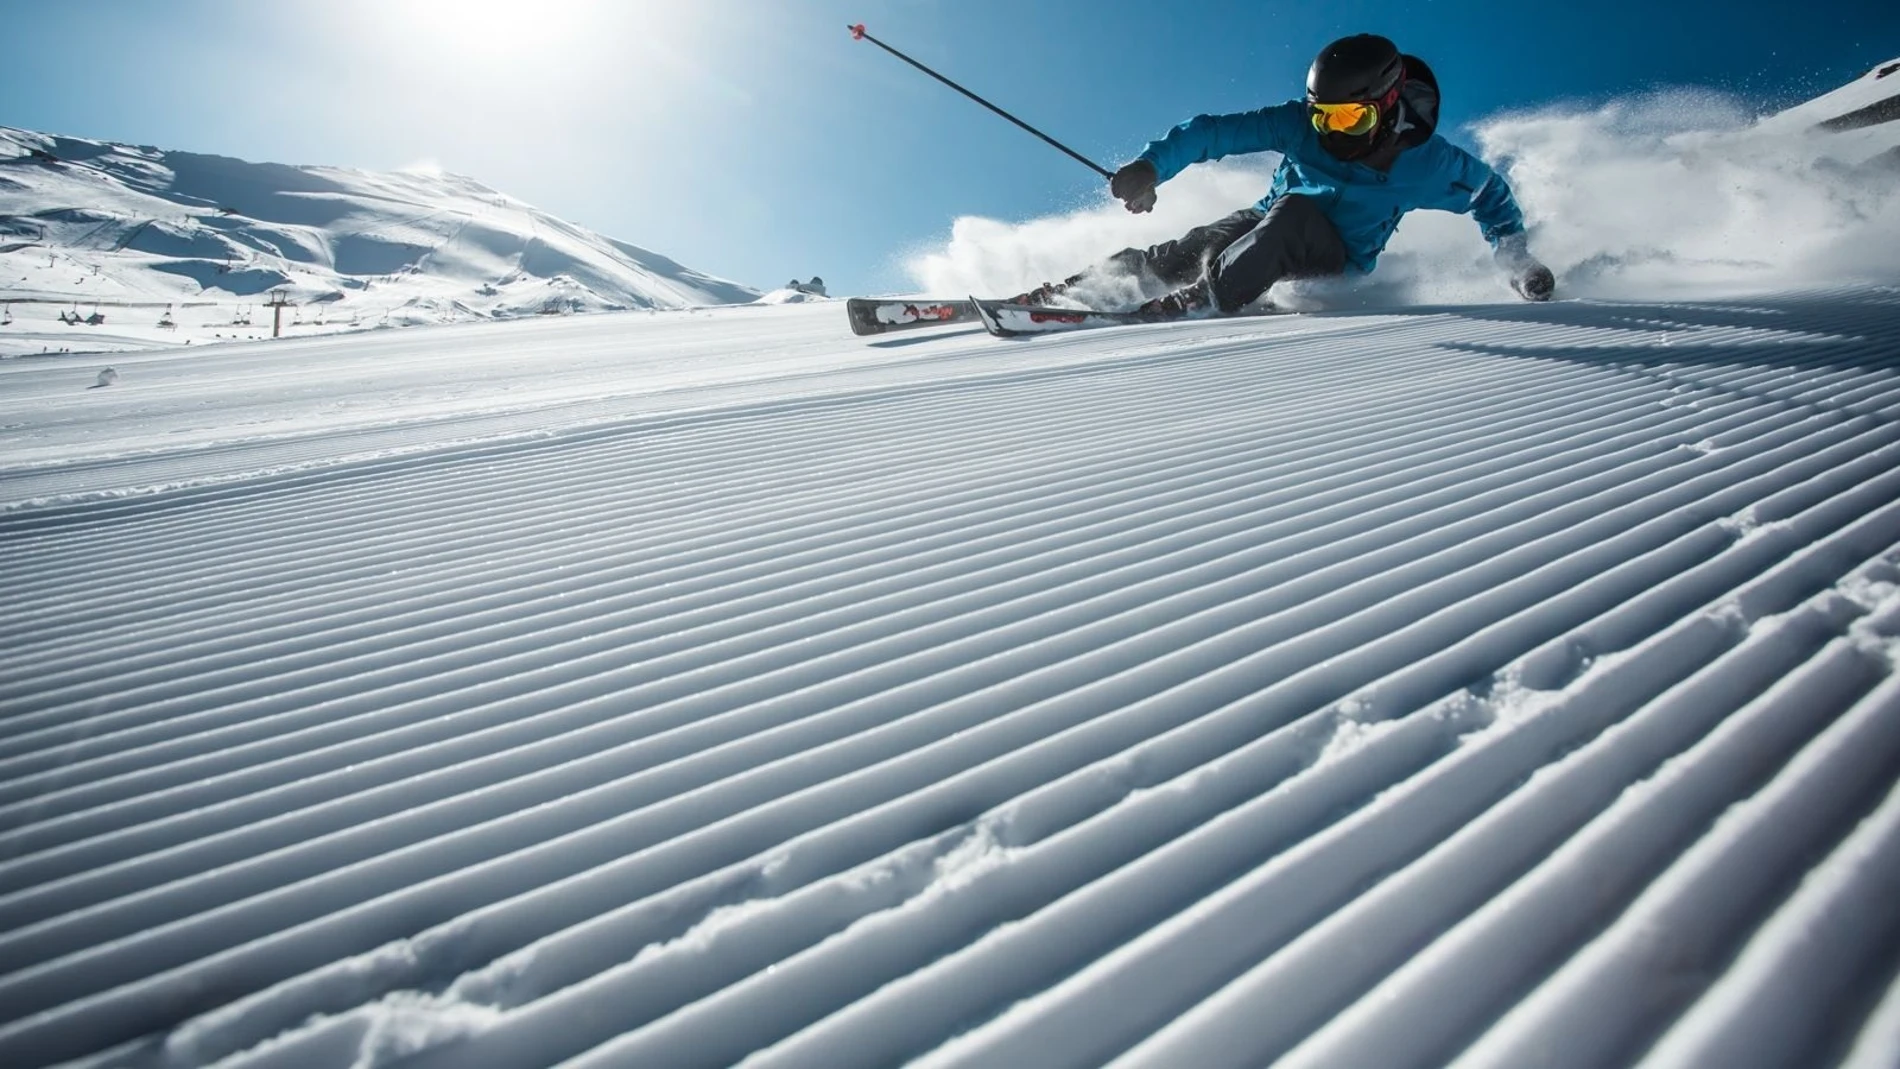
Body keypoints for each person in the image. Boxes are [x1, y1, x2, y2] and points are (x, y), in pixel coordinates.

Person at [1015, 34, 1555, 317]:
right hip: (1267, 221)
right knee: (1193, 246)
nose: (1333, 133)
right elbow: (1211, 133)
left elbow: (1492, 198)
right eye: (1324, 116)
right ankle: (1078, 292)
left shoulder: (1429, 163)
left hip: (1335, 253)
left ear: (1387, 105)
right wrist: (1152, 166)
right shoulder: (1299, 125)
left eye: (1350, 118)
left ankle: (1203, 300)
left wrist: (1518, 262)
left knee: (1289, 218)